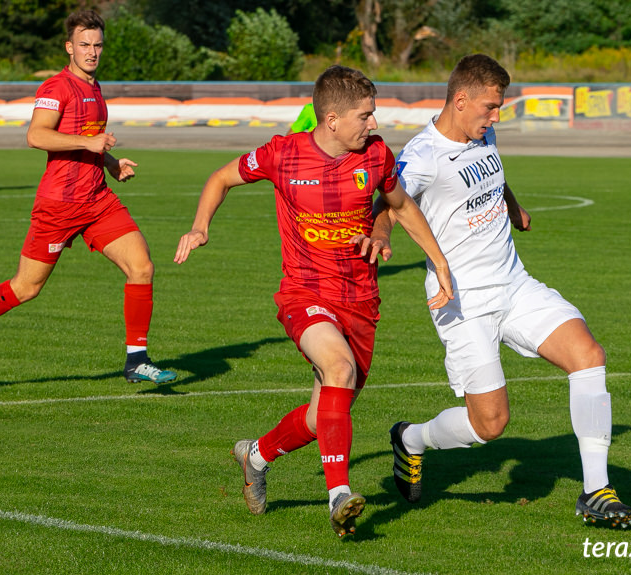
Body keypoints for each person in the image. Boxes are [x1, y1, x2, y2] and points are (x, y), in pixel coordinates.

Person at [174, 65, 453, 537]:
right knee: (338, 369)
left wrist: (439, 263)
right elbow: (221, 178)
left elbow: (401, 206)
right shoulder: (281, 154)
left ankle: (256, 455)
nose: (373, 123)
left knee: (327, 409)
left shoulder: (377, 156)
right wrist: (201, 225)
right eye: (365, 116)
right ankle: (339, 495)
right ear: (332, 120)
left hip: (361, 300)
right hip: (304, 292)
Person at [374, 54, 631, 528]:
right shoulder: (422, 155)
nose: (497, 118)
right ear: (460, 100)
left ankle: (596, 491)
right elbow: (390, 198)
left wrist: (512, 205)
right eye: (491, 108)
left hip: (514, 285)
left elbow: (491, 171)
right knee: (490, 426)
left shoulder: (483, 134)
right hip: (461, 302)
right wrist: (382, 234)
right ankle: (411, 439)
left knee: (589, 356)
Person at [0, 10, 176, 385]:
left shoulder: (95, 88)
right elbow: (36, 135)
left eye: (97, 45)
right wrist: (90, 143)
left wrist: (110, 163)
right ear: (69, 47)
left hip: (97, 199)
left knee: (141, 266)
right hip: (59, 205)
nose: (92, 51)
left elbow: (89, 140)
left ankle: (136, 360)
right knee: (27, 287)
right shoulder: (56, 87)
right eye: (84, 45)